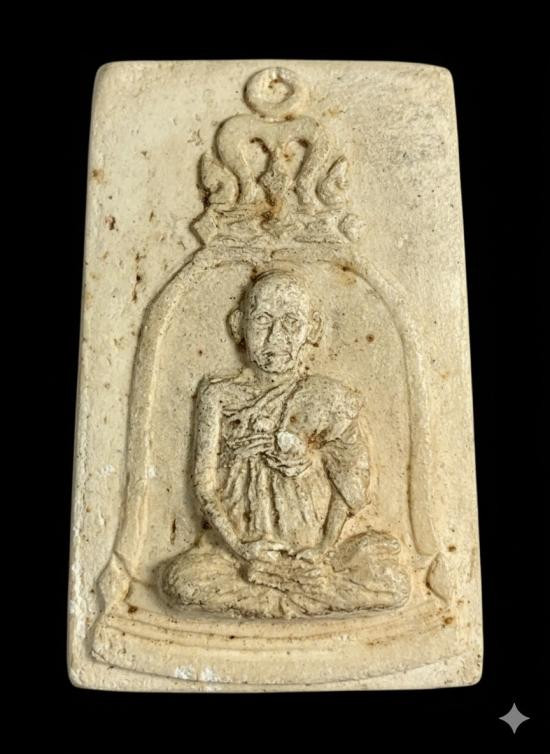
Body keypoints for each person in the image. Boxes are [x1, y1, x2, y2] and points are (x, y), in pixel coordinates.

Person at [159, 270, 409, 618]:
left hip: (310, 554)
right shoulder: (219, 396)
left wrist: (325, 545)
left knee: (394, 583)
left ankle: (290, 586)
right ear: (238, 325)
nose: (276, 336)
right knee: (181, 583)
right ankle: (291, 591)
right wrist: (240, 547)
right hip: (243, 550)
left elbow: (350, 476)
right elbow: (204, 485)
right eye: (263, 320)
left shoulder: (327, 397)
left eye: (291, 323)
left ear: (312, 329)